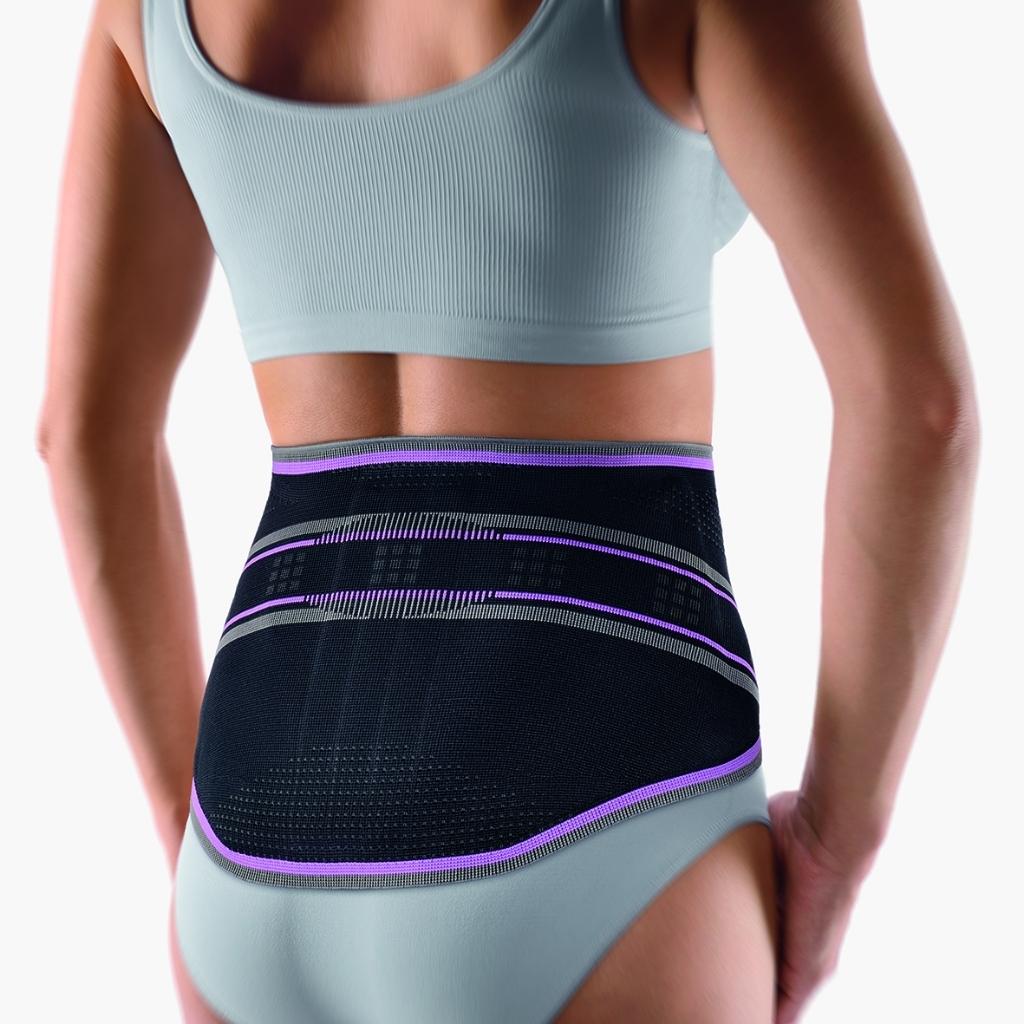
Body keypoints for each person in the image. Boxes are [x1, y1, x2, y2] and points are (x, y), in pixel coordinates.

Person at [36, 1, 980, 1022]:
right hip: (604, 814)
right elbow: (917, 407)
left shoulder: (139, 14)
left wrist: (190, 820)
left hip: (253, 830)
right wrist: (836, 839)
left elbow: (84, 435)